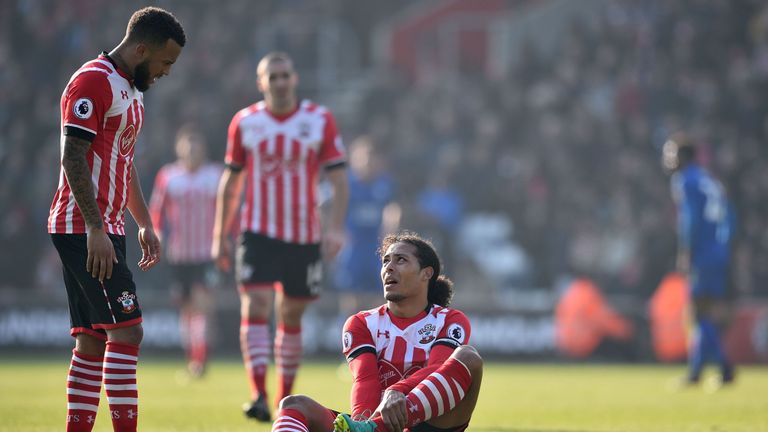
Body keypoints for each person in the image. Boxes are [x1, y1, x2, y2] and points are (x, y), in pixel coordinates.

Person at [46, 7, 185, 432]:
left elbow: (123, 160)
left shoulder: (131, 87)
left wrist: (143, 221)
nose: (165, 72)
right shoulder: (93, 81)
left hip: (108, 227)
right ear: (141, 49)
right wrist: (94, 228)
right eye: (164, 62)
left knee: (93, 339)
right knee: (128, 333)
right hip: (84, 227)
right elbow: (73, 156)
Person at [212, 51, 349, 422]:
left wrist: (335, 228)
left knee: (290, 314)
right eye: (272, 77)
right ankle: (258, 392)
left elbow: (338, 178)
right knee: (255, 305)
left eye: (285, 75)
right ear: (261, 83)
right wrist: (220, 233)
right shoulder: (245, 122)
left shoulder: (319, 120)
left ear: (295, 78)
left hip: (303, 237)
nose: (280, 82)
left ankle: (284, 399)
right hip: (257, 232)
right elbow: (232, 180)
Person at [269, 232, 483, 432]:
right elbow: (366, 380)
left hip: (432, 424)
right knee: (293, 405)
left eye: (401, 260)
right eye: (386, 261)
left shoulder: (449, 319)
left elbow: (438, 367)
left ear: (426, 273)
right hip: (375, 420)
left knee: (469, 357)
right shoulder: (362, 323)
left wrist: (397, 389)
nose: (389, 267)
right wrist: (363, 422)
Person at [662, 132, 736, 388]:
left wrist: (686, 252)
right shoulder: (709, 179)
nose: (668, 159)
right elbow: (729, 215)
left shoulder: (685, 180)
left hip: (703, 254)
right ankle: (706, 370)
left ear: (684, 156)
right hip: (718, 252)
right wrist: (723, 246)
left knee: (697, 313)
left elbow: (689, 220)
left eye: (672, 153)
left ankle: (717, 368)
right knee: (704, 312)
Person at [149, 125, 223, 378]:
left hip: (207, 254)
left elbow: (228, 209)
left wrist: (228, 238)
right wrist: (157, 234)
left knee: (203, 305)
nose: (192, 150)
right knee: (187, 310)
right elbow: (157, 212)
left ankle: (200, 361)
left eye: (196, 144)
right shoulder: (168, 176)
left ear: (203, 149)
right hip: (179, 254)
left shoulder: (215, 175)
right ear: (178, 148)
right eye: (187, 145)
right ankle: (193, 358)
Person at [334, 135, 400, 321]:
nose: (368, 161)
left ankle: (376, 342)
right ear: (354, 158)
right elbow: (329, 207)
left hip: (377, 247)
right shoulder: (346, 184)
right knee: (350, 297)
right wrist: (337, 232)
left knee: (379, 296)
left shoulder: (385, 184)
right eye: (364, 155)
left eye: (372, 156)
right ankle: (348, 340)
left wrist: (390, 236)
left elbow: (393, 209)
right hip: (353, 247)